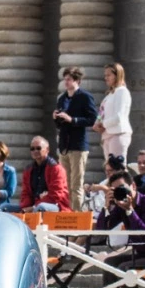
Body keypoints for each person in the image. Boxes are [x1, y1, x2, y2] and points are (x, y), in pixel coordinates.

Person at [52, 67, 97, 203]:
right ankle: (67, 214)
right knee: (64, 184)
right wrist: (56, 118)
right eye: (65, 79)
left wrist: (73, 119)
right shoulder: (62, 98)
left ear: (77, 80)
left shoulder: (85, 97)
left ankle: (77, 217)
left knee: (76, 185)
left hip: (78, 145)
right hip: (64, 145)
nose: (66, 82)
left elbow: (92, 119)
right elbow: (60, 125)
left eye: (69, 79)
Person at [20, 136, 70, 212]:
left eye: (38, 148)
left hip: (56, 206)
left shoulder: (56, 168)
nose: (35, 151)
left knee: (41, 207)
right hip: (33, 206)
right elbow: (25, 193)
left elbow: (56, 195)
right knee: (5, 208)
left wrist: (34, 207)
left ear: (47, 150)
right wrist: (25, 208)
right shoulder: (28, 170)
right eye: (32, 149)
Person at [98, 63, 132, 165]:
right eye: (105, 75)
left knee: (118, 168)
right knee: (110, 168)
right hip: (107, 135)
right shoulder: (109, 94)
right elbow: (101, 112)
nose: (106, 78)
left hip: (118, 133)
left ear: (117, 75)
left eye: (109, 75)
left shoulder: (122, 92)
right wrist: (97, 121)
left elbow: (119, 116)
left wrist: (102, 124)